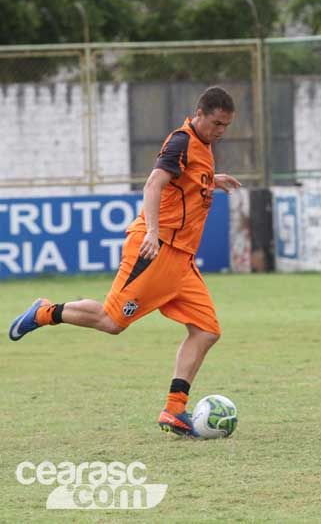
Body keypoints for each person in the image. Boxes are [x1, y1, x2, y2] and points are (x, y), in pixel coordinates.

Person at [8, 86, 241, 437]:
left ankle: (174, 411)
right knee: (111, 321)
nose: (222, 131)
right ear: (200, 114)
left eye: (226, 125)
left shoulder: (204, 148)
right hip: (156, 251)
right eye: (217, 123)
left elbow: (185, 184)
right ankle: (44, 312)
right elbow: (153, 185)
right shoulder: (181, 141)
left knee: (207, 331)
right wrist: (150, 232)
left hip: (182, 262)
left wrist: (210, 182)